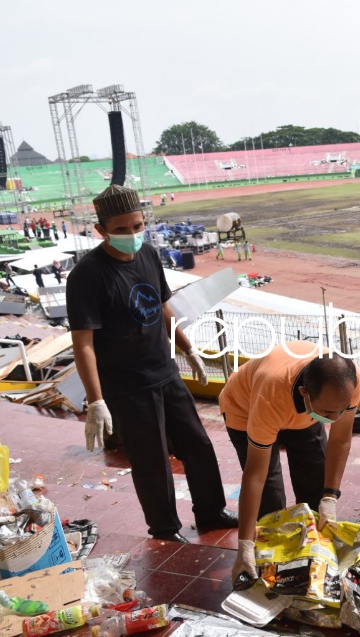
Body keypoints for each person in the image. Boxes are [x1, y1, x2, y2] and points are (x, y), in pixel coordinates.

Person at [66, 184, 237, 543]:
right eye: (123, 229)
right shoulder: (87, 276)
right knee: (152, 462)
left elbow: (162, 308)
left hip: (165, 372)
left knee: (199, 447)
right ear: (101, 230)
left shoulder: (147, 256)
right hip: (127, 387)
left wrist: (188, 350)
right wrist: (96, 400)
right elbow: (83, 344)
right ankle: (164, 528)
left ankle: (210, 511)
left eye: (138, 226)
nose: (133, 235)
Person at [220, 342, 360, 584]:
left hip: (303, 412)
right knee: (271, 503)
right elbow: (256, 475)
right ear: (305, 394)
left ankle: (311, 560)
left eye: (342, 410)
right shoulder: (270, 393)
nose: (334, 419)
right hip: (246, 408)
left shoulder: (349, 380)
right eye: (328, 413)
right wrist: (244, 544)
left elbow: (340, 440)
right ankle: (268, 568)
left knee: (316, 490)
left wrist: (330, 495)